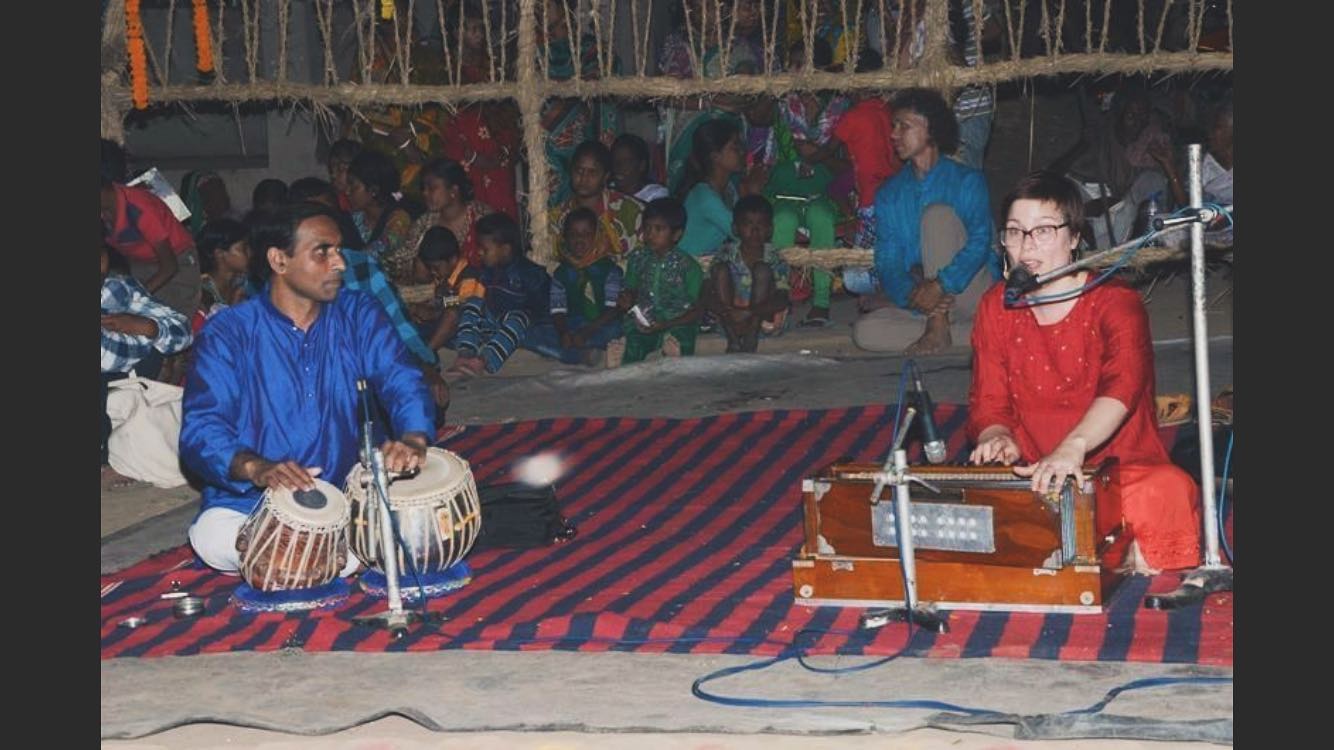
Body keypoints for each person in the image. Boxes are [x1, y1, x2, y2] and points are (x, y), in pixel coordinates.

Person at [181, 202, 436, 576]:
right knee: (210, 537)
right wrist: (257, 467)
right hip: (252, 504)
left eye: (339, 251)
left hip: (345, 496)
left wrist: (413, 438)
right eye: (323, 252)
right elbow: (202, 429)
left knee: (415, 530)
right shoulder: (228, 333)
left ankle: (288, 562)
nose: (340, 264)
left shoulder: (358, 313)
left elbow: (401, 378)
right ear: (278, 260)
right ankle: (303, 558)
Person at [967, 170, 1202, 573]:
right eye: (1014, 232)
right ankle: (1103, 551)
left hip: (1114, 472)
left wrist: (1072, 449)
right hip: (1033, 475)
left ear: (1074, 238)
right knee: (966, 502)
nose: (1026, 246)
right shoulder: (995, 306)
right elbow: (989, 403)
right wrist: (997, 437)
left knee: (1169, 489)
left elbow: (1123, 386)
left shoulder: (1116, 303)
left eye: (1043, 231)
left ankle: (1084, 545)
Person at [851, 88, 1000, 355]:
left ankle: (944, 324)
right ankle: (971, 330)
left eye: (904, 126)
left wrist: (940, 285)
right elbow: (888, 261)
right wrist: (914, 294)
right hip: (924, 300)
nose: (894, 134)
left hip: (970, 290)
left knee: (937, 216)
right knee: (865, 332)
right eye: (894, 126)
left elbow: (980, 245)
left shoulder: (967, 180)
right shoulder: (889, 193)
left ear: (930, 129)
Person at [102, 242, 194, 487]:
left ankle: (116, 459)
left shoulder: (118, 289)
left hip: (120, 389)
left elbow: (181, 331)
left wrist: (147, 327)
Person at [448, 213, 551, 378]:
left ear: (505, 249)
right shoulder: (485, 272)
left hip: (516, 329)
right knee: (473, 303)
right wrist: (443, 302)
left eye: (485, 249)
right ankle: (465, 354)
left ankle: (483, 360)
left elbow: (544, 307)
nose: (479, 253)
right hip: (492, 324)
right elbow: (463, 298)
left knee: (519, 317)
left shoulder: (530, 274)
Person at [528, 208, 626, 366]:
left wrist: (587, 331)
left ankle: (569, 353)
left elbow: (613, 308)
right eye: (573, 234)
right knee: (532, 333)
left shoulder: (610, 270)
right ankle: (583, 355)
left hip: (600, 323)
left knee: (616, 330)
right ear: (565, 238)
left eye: (586, 234)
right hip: (572, 324)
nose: (579, 239)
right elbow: (558, 309)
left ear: (596, 237)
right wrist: (563, 333)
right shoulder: (561, 273)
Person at [612, 197, 703, 365]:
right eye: (647, 228)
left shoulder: (689, 267)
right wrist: (627, 299)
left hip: (677, 320)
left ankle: (674, 351)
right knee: (635, 337)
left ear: (676, 234)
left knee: (683, 336)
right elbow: (631, 289)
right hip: (646, 320)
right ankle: (626, 356)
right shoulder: (637, 259)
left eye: (658, 229)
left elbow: (697, 309)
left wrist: (668, 323)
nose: (650, 234)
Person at [101, 176, 204, 318]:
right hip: (140, 262)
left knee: (173, 319)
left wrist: (134, 298)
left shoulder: (139, 207)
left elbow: (170, 266)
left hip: (176, 261)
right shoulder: (106, 209)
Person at [707, 195, 791, 352]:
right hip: (730, 322)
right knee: (720, 270)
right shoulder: (726, 252)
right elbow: (705, 292)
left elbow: (782, 299)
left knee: (762, 270)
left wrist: (750, 312)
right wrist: (729, 313)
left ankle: (751, 336)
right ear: (735, 228)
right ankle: (733, 340)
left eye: (761, 224)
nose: (755, 230)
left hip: (764, 323)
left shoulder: (774, 257)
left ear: (770, 229)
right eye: (747, 224)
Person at [396, 159, 493, 285]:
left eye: (432, 188)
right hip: (438, 297)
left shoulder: (482, 217)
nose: (425, 193)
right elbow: (402, 263)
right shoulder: (425, 223)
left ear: (454, 191)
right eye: (423, 188)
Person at [548, 141, 645, 265]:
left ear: (605, 177)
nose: (583, 179)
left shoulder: (630, 211)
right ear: (571, 172)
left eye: (592, 172)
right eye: (579, 170)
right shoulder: (556, 217)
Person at [410, 226, 486, 354]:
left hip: (470, 330)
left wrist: (434, 313)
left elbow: (463, 303)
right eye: (430, 268)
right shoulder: (444, 277)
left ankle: (427, 353)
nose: (433, 272)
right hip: (446, 328)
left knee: (452, 314)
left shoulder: (469, 275)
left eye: (436, 267)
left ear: (452, 260)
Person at [346, 149, 415, 260]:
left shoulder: (399, 219)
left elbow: (379, 250)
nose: (347, 191)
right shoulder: (354, 219)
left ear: (374, 190)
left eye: (353, 186)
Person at [193, 218, 251, 332]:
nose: (250, 253)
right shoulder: (202, 292)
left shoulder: (243, 281)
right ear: (220, 254)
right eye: (243, 249)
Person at [611, 134, 669, 204]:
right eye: (614, 160)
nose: (618, 166)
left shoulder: (656, 194)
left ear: (642, 165)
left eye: (626, 162)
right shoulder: (607, 191)